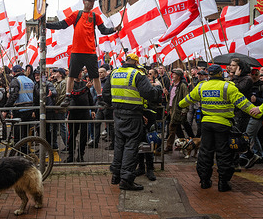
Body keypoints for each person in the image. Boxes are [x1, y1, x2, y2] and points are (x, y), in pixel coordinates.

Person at [179, 64, 262, 192]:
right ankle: (223, 183)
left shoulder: (201, 86)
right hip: (223, 126)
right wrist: (258, 110)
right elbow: (244, 104)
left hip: (206, 125)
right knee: (224, 154)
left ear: (209, 75)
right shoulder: (228, 87)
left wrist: (180, 105)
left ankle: (205, 181)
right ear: (220, 74)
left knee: (205, 153)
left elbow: (186, 100)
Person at [103, 53, 162, 190]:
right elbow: (150, 94)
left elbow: (106, 95)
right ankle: (126, 179)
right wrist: (158, 88)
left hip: (118, 114)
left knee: (119, 145)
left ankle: (116, 175)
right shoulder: (137, 74)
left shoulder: (114, 73)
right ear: (136, 62)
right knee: (131, 146)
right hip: (133, 115)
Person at [46, 0, 116, 108]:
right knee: (72, 75)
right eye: (89, 1)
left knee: (95, 76)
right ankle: (67, 97)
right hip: (77, 51)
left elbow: (103, 30)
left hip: (91, 52)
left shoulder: (95, 16)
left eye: (93, 1)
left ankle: (100, 98)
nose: (91, 3)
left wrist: (114, 29)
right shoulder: (76, 14)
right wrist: (46, 25)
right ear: (84, 2)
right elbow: (62, 24)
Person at [65, 70, 95, 163]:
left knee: (84, 136)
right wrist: (86, 88)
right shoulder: (70, 83)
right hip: (74, 112)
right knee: (72, 135)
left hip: (85, 112)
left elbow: (89, 96)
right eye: (78, 71)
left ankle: (81, 155)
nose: (79, 73)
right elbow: (74, 94)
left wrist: (93, 109)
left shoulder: (85, 83)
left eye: (81, 71)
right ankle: (71, 156)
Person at [2, 65, 35, 149]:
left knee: (18, 136)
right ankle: (25, 154)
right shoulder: (30, 80)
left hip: (19, 110)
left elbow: (13, 96)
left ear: (13, 72)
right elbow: (36, 95)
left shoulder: (16, 81)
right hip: (29, 110)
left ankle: (21, 156)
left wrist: (6, 109)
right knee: (25, 135)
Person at [165, 69, 195, 152]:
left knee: (171, 128)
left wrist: (184, 110)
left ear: (178, 76)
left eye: (174, 74)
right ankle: (185, 144)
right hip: (172, 109)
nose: (172, 76)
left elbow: (186, 98)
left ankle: (169, 146)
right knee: (177, 129)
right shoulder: (173, 85)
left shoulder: (182, 86)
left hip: (178, 110)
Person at [32, 68, 57, 149]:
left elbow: (54, 91)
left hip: (47, 110)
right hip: (38, 109)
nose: (37, 77)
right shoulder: (34, 85)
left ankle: (48, 147)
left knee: (47, 130)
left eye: (38, 75)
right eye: (35, 75)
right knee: (39, 129)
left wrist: (51, 93)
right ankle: (44, 147)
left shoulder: (47, 84)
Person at [52, 68, 69, 149]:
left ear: (61, 74)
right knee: (55, 127)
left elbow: (63, 96)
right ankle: (55, 145)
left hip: (60, 109)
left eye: (57, 72)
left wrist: (57, 106)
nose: (55, 73)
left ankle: (68, 145)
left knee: (62, 127)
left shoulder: (64, 83)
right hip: (56, 108)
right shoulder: (56, 83)